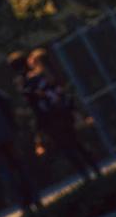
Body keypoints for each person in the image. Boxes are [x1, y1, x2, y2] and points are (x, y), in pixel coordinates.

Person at [9, 48, 102, 181]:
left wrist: (38, 126)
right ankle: (95, 169)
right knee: (76, 143)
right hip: (61, 112)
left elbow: (32, 103)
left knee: (66, 148)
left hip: (48, 117)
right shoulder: (41, 73)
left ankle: (85, 175)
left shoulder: (26, 82)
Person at [0, 74, 42, 213]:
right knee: (20, 166)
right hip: (4, 133)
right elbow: (6, 101)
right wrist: (11, 123)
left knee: (4, 173)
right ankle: (35, 198)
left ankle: (23, 204)